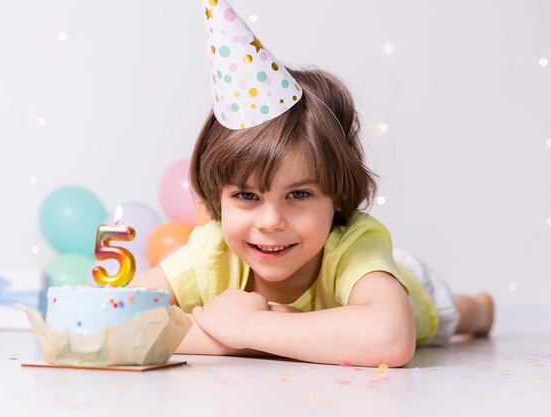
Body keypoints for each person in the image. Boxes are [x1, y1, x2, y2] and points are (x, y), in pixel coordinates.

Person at [133, 0, 493, 367]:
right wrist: (245, 339)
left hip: (402, 283)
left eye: (299, 194)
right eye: (246, 195)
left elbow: (391, 338)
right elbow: (122, 313)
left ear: (336, 194)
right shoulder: (210, 255)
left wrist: (250, 326)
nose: (270, 221)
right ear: (218, 197)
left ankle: (480, 308)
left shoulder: (354, 248)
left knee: (453, 313)